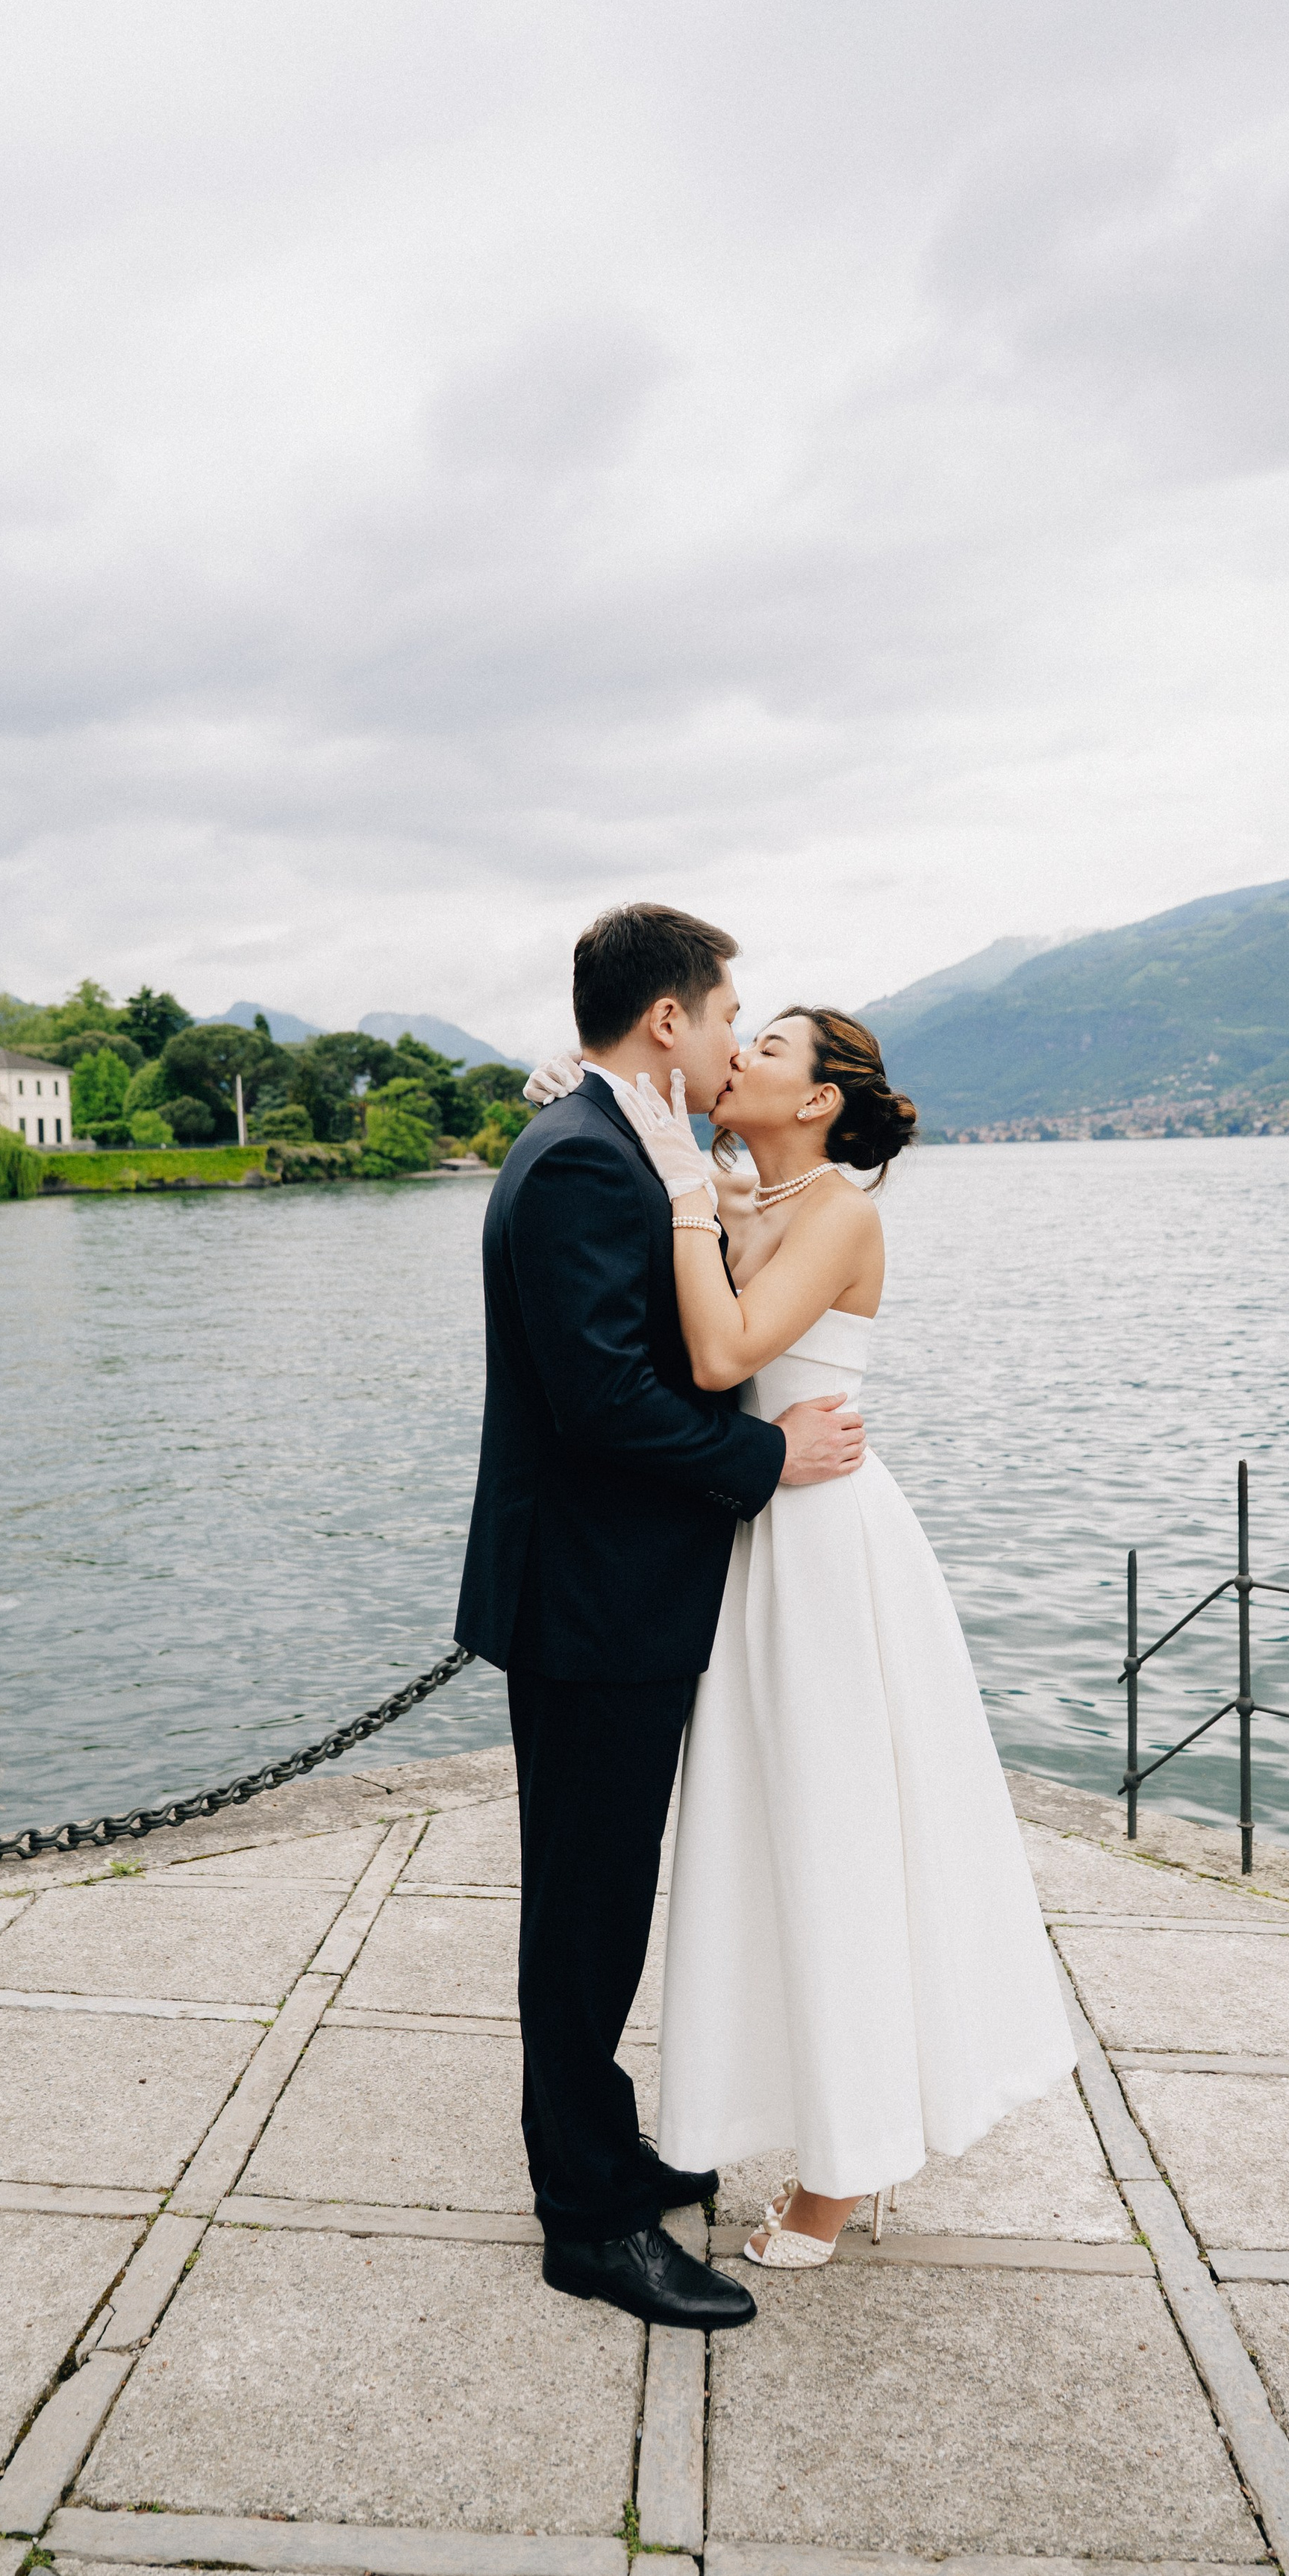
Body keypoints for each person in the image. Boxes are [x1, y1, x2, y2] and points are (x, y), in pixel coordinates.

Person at [454, 904, 870, 2332]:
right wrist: (768, 1460)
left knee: (605, 1890)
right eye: (725, 1009)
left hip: (611, 1586)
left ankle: (609, 2144)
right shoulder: (582, 1159)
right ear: (667, 1024)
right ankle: (588, 2221)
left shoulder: (613, 1140)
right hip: (590, 1596)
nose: (733, 1030)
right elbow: (603, 1401)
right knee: (582, 1908)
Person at [610, 1006, 1076, 2266]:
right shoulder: (736, 1192)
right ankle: (750, 2107)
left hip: (824, 1551)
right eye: (739, 1038)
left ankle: (843, 2172)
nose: (738, 1056)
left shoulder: (840, 1215)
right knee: (754, 1837)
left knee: (838, 1836)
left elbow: (721, 1356)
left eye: (767, 1049)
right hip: (753, 1536)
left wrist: (685, 1198)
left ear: (819, 1100)